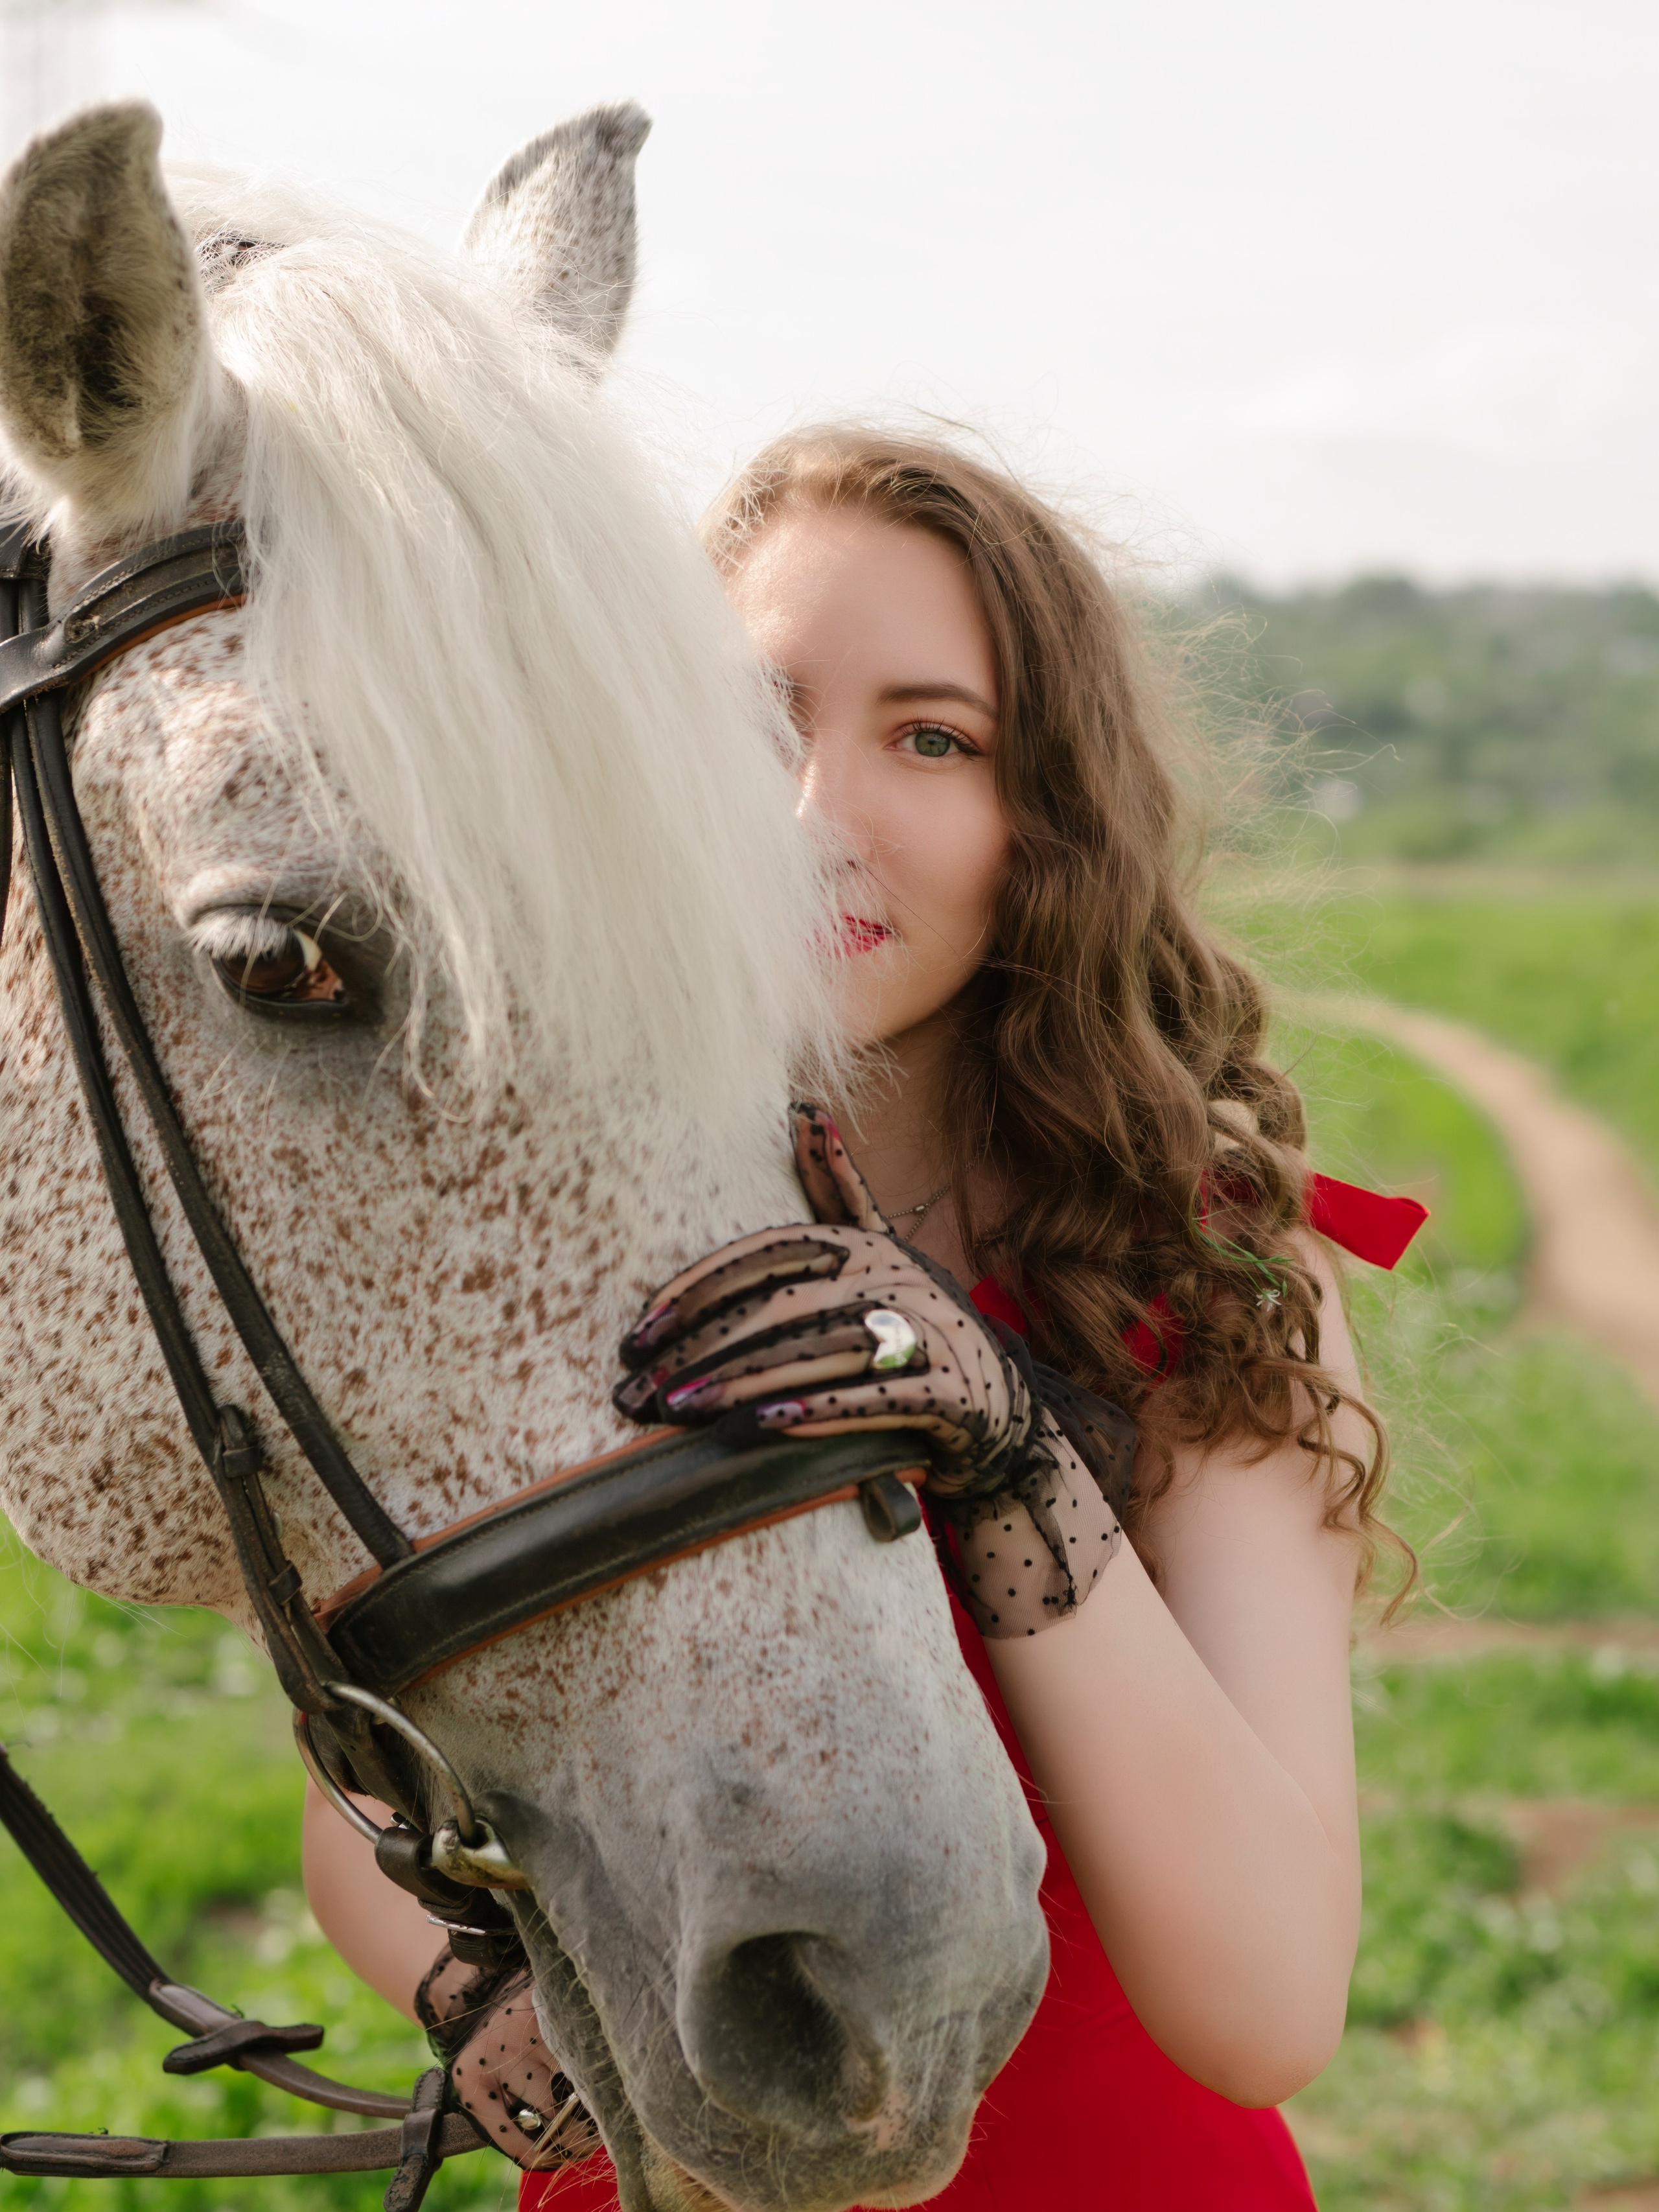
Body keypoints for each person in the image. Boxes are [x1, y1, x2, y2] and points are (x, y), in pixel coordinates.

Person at [305, 428, 1425, 2209]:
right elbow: (374, 1798)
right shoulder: (528, 1237)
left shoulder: (1201, 1275)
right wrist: (470, 1981)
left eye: (934, 737)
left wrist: (1006, 1460)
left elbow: (1266, 2005)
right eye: (751, 723)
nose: (814, 814)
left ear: (1039, 820)